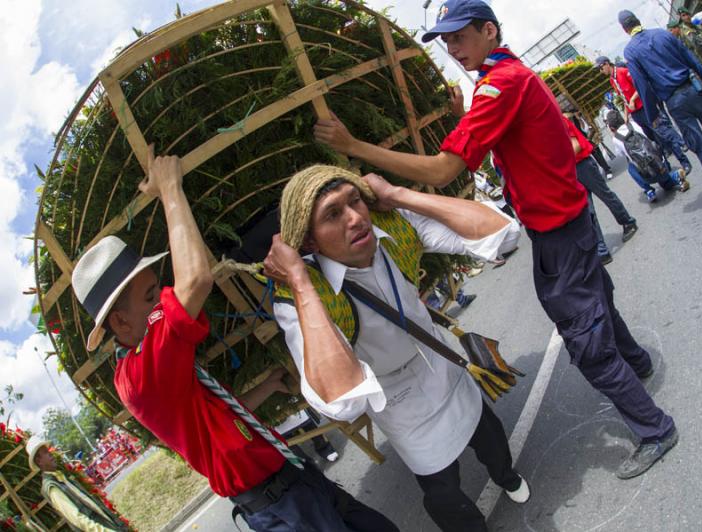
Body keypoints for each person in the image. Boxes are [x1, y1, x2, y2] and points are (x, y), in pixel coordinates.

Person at [315, 0, 678, 481]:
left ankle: (654, 429)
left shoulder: (500, 86)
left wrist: (355, 149)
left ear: (489, 31)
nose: (451, 47)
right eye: (445, 40)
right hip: (568, 223)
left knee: (585, 337)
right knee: (599, 303)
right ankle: (639, 363)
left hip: (559, 233)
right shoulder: (508, 74)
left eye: (458, 36)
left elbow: (446, 168)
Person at [70, 147, 397, 532]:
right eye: (150, 297)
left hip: (293, 480)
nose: (163, 299)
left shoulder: (162, 367)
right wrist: (170, 189)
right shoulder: (140, 376)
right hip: (277, 503)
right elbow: (195, 281)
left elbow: (218, 423)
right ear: (121, 323)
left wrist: (269, 386)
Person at [265, 165, 526, 532]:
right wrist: (300, 283)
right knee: (443, 492)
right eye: (333, 214)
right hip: (401, 404)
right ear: (309, 242)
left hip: (442, 365)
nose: (355, 219)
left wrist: (399, 194)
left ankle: (507, 476)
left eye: (355, 200)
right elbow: (342, 401)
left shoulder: (396, 229)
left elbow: (504, 234)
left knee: (491, 437)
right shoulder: (303, 298)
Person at [621, 9, 702, 207]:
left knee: (700, 145)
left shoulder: (631, 51)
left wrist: (653, 114)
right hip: (693, 89)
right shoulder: (663, 34)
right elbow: (690, 58)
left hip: (675, 102)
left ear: (624, 29)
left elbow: (643, 86)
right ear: (638, 20)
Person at [595, 56, 693, 175]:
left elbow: (641, 86)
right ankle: (665, 168)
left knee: (663, 135)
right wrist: (626, 115)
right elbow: (623, 97)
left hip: (645, 108)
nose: (601, 71)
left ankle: (684, 161)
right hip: (635, 114)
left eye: (601, 68)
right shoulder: (612, 80)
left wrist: (632, 100)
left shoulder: (623, 72)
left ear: (607, 64)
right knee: (652, 142)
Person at [562, 113, 639, 264]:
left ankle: (628, 222)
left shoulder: (557, 121)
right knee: (587, 210)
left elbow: (575, 145)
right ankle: (601, 249)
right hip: (572, 171)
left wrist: (559, 164)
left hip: (582, 165)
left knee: (605, 196)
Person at [26, 436, 130, 531]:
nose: (50, 453)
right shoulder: (51, 487)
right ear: (39, 461)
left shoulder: (60, 477)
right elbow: (77, 518)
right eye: (45, 452)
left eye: (48, 450)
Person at [605, 108, 691, 201]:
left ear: (612, 128)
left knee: (630, 167)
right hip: (659, 164)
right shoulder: (633, 124)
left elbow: (621, 155)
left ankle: (649, 191)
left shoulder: (616, 139)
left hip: (646, 173)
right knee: (666, 185)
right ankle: (675, 176)